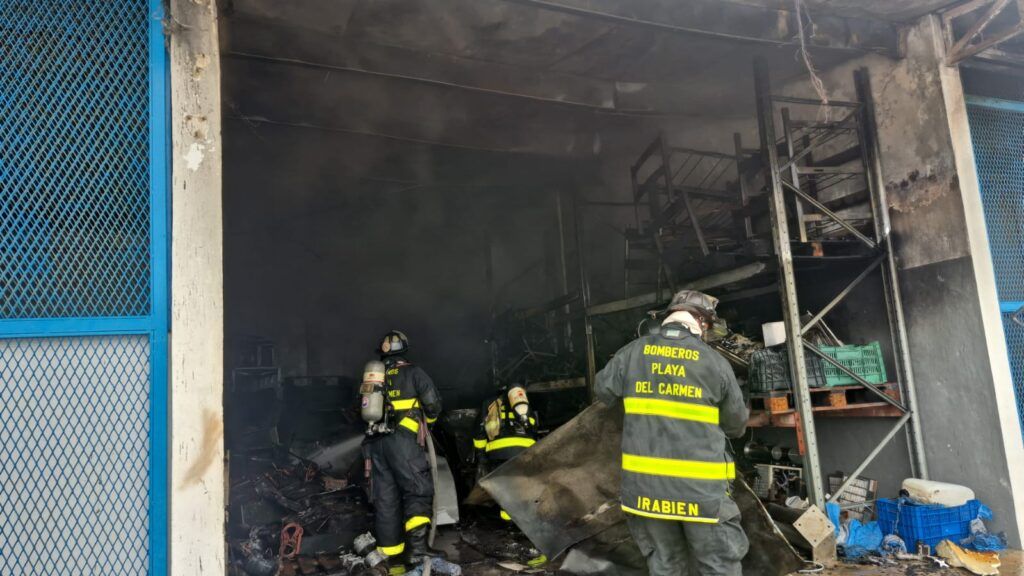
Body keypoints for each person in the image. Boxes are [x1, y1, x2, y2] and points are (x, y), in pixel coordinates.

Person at [594, 290, 749, 576]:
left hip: (645, 494)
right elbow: (736, 426)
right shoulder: (715, 363)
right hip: (701, 495)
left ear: (669, 317)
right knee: (718, 567)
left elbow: (603, 391)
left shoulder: (631, 353)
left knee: (665, 567)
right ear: (701, 322)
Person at [362, 330, 445, 567]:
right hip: (404, 443)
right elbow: (433, 405)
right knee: (418, 490)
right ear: (405, 349)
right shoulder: (413, 372)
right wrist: (425, 425)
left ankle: (389, 551)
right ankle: (418, 550)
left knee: (385, 497)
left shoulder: (373, 378)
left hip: (375, 444)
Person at [472, 383, 540, 521]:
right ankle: (527, 520)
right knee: (523, 486)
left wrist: (481, 456)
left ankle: (509, 522)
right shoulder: (523, 404)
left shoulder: (488, 403)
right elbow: (533, 427)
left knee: (506, 489)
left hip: (499, 453)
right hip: (524, 452)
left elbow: (479, 431)